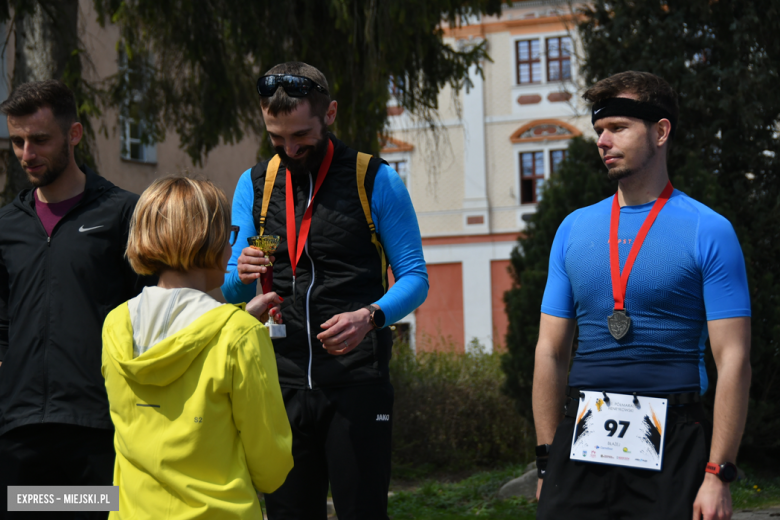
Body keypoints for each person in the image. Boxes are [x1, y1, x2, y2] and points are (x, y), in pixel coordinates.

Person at [532, 71, 751, 520]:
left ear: (661, 131)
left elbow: (734, 360)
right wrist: (545, 461)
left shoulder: (708, 230)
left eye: (618, 127)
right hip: (582, 439)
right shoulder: (573, 229)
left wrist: (718, 473)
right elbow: (550, 352)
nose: (603, 141)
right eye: (599, 130)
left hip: (674, 438)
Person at [221, 61, 429, 520]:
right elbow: (231, 287)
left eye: (301, 138)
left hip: (357, 382)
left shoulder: (374, 179)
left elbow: (415, 278)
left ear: (330, 114)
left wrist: (370, 316)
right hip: (279, 385)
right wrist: (244, 272)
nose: (290, 150)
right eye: (277, 139)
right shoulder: (253, 186)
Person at [0, 80, 154, 519]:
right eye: (17, 141)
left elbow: (151, 313)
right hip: (19, 435)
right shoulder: (6, 226)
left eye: (39, 140)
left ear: (74, 135)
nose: (27, 153)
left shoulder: (124, 213)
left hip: (97, 430)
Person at [101, 176, 293, 519]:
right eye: (229, 236)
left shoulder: (115, 324)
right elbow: (271, 464)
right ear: (212, 241)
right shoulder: (240, 336)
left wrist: (236, 319)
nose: (231, 249)